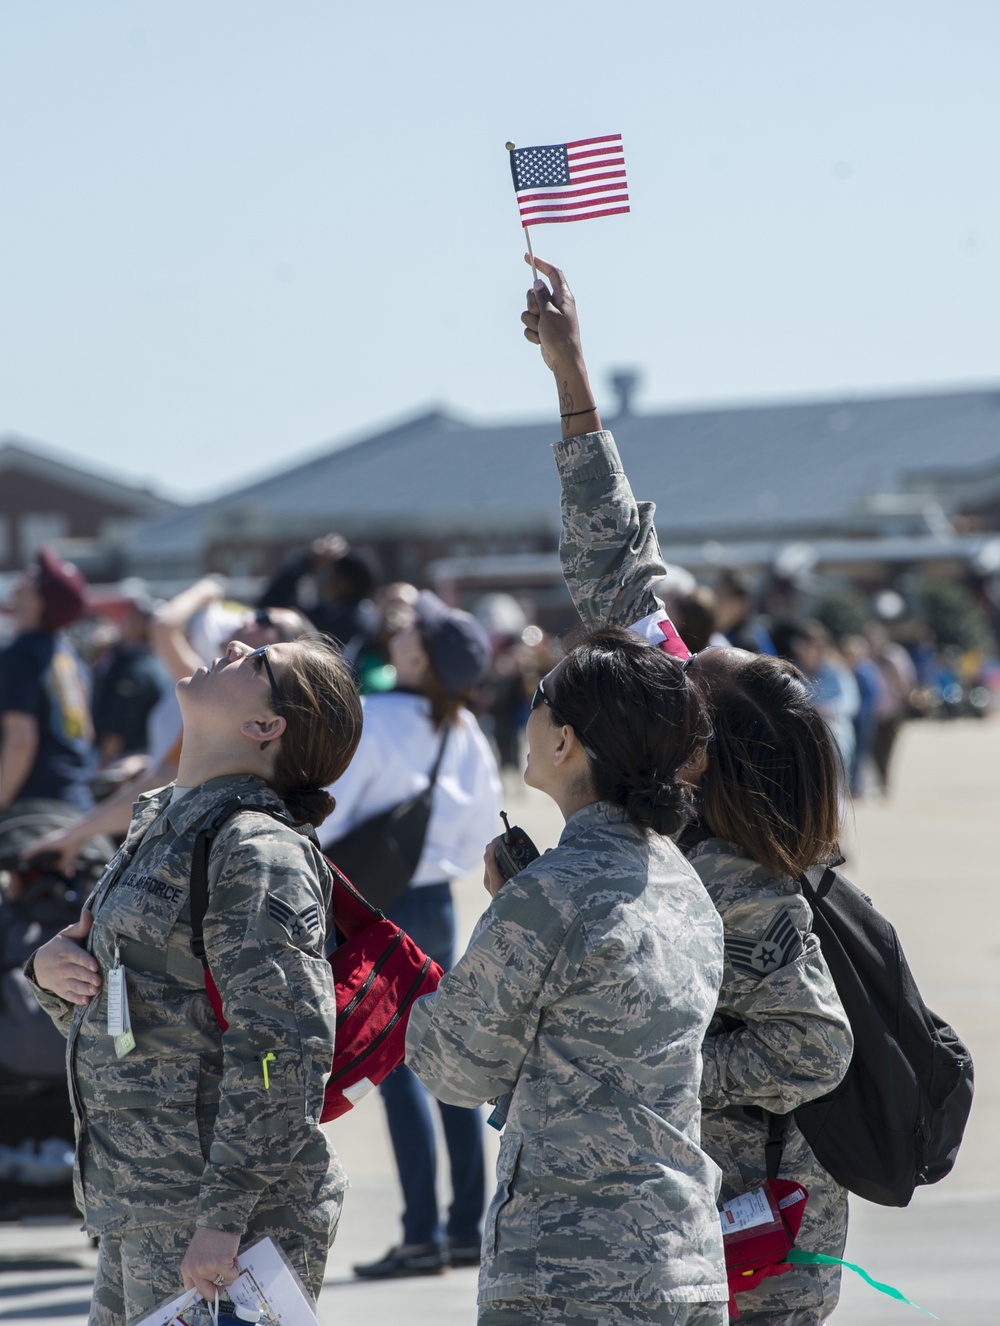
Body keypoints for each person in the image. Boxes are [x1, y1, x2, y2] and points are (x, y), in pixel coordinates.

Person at [521, 257, 854, 1325]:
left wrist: (649, 1061)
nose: (683, 653)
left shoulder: (744, 883)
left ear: (698, 747)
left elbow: (811, 1045)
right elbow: (619, 562)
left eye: (697, 667)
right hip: (665, 1217)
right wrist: (570, 375)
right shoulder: (668, 832)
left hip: (762, 1225)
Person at [24, 633, 363, 1324]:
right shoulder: (165, 819)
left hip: (212, 1225)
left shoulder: (256, 848)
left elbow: (283, 1046)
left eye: (259, 661)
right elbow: (142, 1012)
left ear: (265, 728)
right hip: (141, 1203)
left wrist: (225, 1216)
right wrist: (53, 974)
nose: (236, 643)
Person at [406, 627, 728, 1326]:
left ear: (565, 742)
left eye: (540, 701)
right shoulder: (684, 882)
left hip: (569, 1275)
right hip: (684, 1261)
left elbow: (451, 1068)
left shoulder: (550, 894)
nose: (529, 714)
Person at [322, 590, 502, 1278]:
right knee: (448, 1064)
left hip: (372, 902)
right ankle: (465, 1229)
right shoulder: (466, 731)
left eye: (412, 632)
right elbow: (481, 822)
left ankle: (420, 1234)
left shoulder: (380, 716)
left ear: (420, 656)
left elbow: (330, 810)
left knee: (387, 1065)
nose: (399, 634)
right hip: (438, 901)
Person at [0, 547, 94, 813]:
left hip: (34, 811)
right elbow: (86, 733)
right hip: (77, 805)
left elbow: (21, 741)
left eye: (34, 575)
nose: (25, 574)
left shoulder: (20, 654)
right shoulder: (69, 654)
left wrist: (2, 802)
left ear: (37, 602)